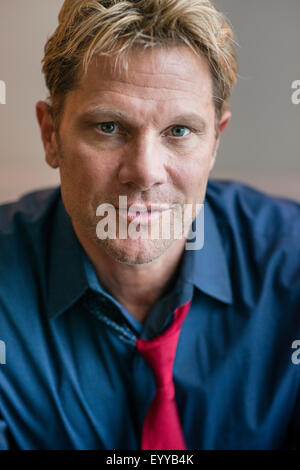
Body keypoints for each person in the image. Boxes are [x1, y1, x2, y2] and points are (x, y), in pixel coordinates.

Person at [0, 0, 299, 451]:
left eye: (179, 131)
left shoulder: (292, 266)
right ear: (51, 135)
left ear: (215, 141)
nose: (144, 171)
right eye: (108, 127)